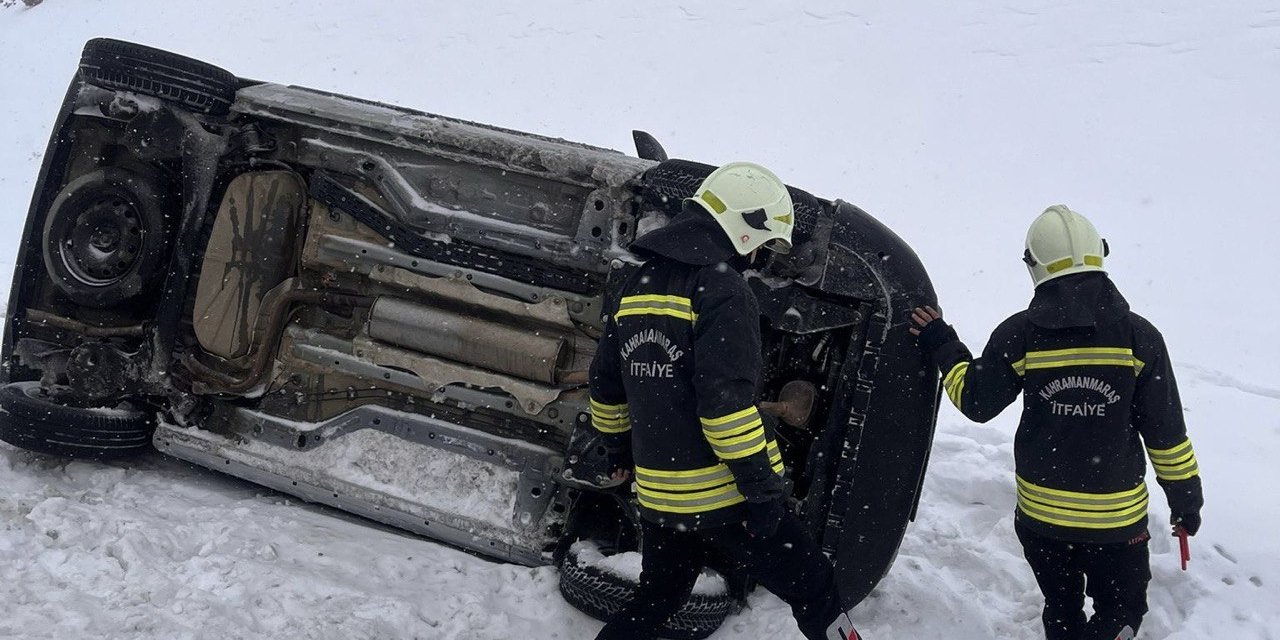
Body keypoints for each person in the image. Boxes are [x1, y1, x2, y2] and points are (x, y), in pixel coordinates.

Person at [587, 162, 861, 640]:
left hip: (659, 496)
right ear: (744, 225)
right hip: (724, 496)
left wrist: (617, 452)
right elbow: (724, 409)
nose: (759, 254)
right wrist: (763, 494)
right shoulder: (723, 290)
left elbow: (607, 389)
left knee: (659, 599)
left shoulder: (636, 284)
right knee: (815, 590)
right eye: (762, 241)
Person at [909, 205, 1204, 640]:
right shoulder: (1140, 338)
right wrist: (1186, 500)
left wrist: (942, 343)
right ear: (1099, 254)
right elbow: (1166, 436)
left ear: (1034, 264)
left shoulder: (1020, 334)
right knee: (1121, 612)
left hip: (1042, 522)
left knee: (1061, 607)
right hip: (1116, 528)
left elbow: (973, 401)